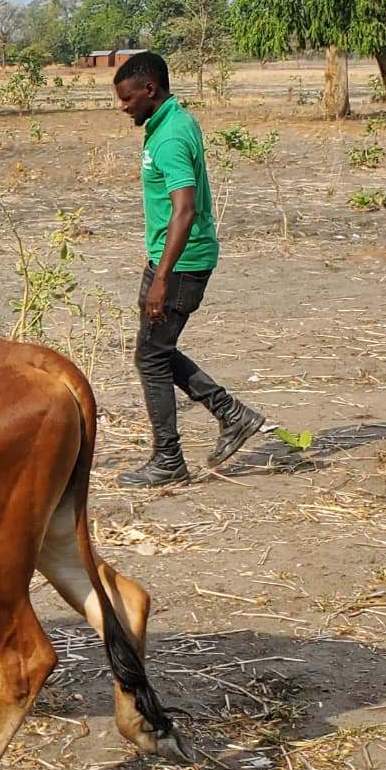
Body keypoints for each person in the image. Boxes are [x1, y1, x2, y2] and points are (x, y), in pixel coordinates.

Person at [114, 51, 264, 487]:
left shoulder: (171, 137)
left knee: (151, 357)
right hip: (170, 258)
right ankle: (232, 414)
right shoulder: (171, 122)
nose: (123, 107)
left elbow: (184, 209)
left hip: (179, 263)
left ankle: (169, 460)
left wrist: (161, 278)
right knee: (155, 351)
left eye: (127, 99)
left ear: (150, 90)